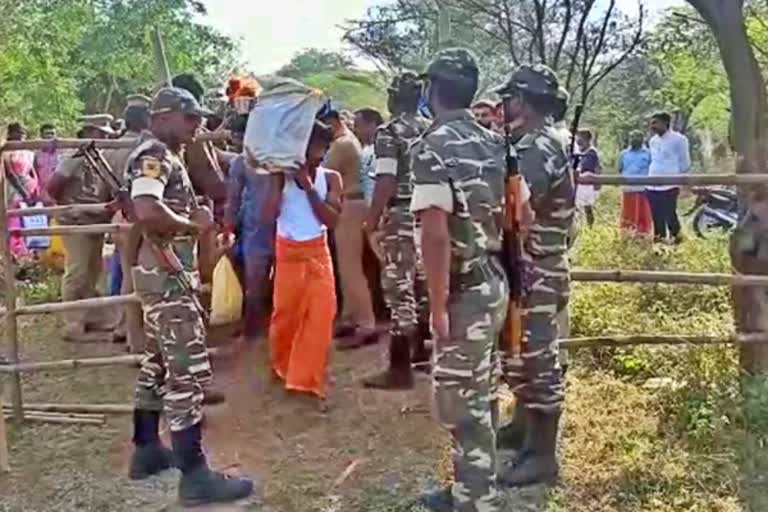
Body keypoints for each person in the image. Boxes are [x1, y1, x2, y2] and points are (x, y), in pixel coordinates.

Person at [126, 87, 255, 506]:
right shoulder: (155, 155)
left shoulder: (164, 153)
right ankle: (195, 475)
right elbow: (146, 210)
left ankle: (147, 449)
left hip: (158, 270)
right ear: (161, 117)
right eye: (188, 117)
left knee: (158, 362)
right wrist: (192, 225)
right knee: (187, 372)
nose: (196, 125)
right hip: (165, 273)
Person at [410, 48, 509, 512]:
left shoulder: (431, 146)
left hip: (465, 289)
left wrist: (436, 305)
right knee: (483, 392)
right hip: (494, 279)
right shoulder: (495, 141)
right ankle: (473, 487)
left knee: (459, 405)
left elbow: (434, 233)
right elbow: (517, 213)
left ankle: (474, 501)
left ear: (432, 91)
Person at [494, 64, 575, 487]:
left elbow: (515, 209)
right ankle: (524, 429)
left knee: (537, 360)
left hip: (537, 270)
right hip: (534, 267)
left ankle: (542, 455)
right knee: (520, 355)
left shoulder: (539, 145)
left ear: (522, 101)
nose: (504, 107)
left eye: (508, 99)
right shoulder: (540, 140)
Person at [263, 121, 342, 408]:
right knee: (287, 316)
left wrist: (308, 188)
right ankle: (282, 364)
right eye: (311, 149)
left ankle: (306, 379)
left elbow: (331, 220)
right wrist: (278, 180)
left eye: (321, 149)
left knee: (322, 314)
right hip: (288, 253)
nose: (316, 156)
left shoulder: (331, 178)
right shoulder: (280, 177)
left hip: (318, 253)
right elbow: (268, 215)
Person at [361, 72, 431, 390]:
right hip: (430, 212)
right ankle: (422, 354)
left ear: (393, 98)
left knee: (398, 286)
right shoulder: (431, 129)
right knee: (423, 283)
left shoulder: (389, 133)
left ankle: (399, 368)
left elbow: (386, 180)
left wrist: (372, 218)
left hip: (402, 212)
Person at [47, 115, 118, 343]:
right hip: (76, 220)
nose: (106, 136)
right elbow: (53, 187)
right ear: (89, 132)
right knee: (77, 271)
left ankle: (90, 316)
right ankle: (73, 322)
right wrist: (71, 207)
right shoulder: (74, 157)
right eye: (102, 133)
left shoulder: (98, 157)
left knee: (93, 270)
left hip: (94, 218)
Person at [318, 106, 378, 348]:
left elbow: (321, 174)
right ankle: (350, 317)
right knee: (347, 267)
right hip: (353, 204)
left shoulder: (341, 145)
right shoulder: (348, 141)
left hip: (351, 206)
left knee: (351, 268)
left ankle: (366, 324)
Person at [106, 94, 152, 350]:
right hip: (138, 215)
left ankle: (126, 330)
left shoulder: (111, 147)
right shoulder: (147, 148)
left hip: (120, 215)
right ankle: (138, 340)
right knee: (139, 278)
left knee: (125, 275)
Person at [224, 113, 276, 341]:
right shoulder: (281, 156)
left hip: (256, 227)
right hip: (283, 225)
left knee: (254, 280)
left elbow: (233, 199)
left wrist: (227, 227)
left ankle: (254, 329)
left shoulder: (242, 161)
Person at [647, 111, 691, 243]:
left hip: (669, 184)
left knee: (670, 214)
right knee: (656, 215)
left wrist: (677, 177)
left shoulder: (679, 139)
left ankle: (677, 239)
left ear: (665, 123)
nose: (652, 126)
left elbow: (685, 162)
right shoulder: (653, 141)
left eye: (656, 122)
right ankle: (659, 242)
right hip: (652, 183)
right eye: (652, 123)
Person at [3, 123, 40, 260]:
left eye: (23, 133)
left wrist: (35, 190)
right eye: (18, 132)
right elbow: (9, 174)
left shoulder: (29, 153)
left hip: (28, 188)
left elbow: (33, 172)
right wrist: (23, 191)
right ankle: (14, 251)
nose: (21, 135)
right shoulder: (5, 151)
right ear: (10, 134)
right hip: (10, 189)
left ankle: (27, 250)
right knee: (12, 219)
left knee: (26, 220)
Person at [618, 130, 653, 236]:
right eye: (632, 137)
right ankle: (627, 233)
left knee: (643, 213)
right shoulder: (623, 154)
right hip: (628, 189)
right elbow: (620, 168)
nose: (634, 139)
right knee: (628, 214)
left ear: (642, 139)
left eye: (637, 137)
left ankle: (643, 233)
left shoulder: (648, 154)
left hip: (643, 189)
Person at [353, 107, 384, 205]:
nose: (355, 130)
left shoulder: (385, 150)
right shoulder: (365, 150)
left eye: (358, 125)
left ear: (372, 124)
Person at [574, 128, 601, 227]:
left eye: (580, 137)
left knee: (587, 207)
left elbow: (585, 167)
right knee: (579, 207)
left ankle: (590, 227)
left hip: (588, 183)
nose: (578, 140)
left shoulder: (591, 152)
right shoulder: (581, 151)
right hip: (581, 182)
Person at [33, 124, 59, 205]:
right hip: (42, 191)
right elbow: (35, 172)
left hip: (58, 191)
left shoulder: (62, 153)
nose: (49, 136)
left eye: (52, 133)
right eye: (47, 133)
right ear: (41, 135)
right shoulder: (37, 154)